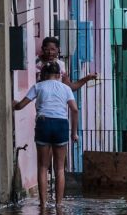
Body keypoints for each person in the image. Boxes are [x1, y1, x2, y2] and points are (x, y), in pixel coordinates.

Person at [13, 61, 78, 205]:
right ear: (58, 75)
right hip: (61, 124)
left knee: (43, 166)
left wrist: (12, 103)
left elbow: (20, 106)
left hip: (43, 123)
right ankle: (59, 204)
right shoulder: (65, 88)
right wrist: (74, 133)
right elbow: (74, 109)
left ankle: (43, 203)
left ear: (44, 75)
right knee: (60, 168)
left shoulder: (38, 86)